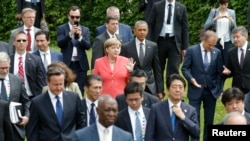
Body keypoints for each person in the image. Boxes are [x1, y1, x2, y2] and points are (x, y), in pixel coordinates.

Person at [181, 30, 222, 141]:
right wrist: (191, 79)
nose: (212, 47)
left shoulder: (217, 52)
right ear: (203, 40)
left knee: (209, 120)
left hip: (211, 91)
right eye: (210, 45)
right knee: (194, 119)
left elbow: (219, 73)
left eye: (214, 45)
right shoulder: (192, 50)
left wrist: (218, 89)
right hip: (195, 90)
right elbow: (184, 68)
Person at [26, 65, 85, 141]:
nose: (59, 88)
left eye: (61, 84)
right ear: (47, 82)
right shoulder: (37, 103)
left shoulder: (74, 98)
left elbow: (81, 123)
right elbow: (32, 131)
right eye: (55, 85)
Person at [145, 74, 200, 141]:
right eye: (174, 87)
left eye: (180, 87)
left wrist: (183, 118)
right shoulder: (156, 108)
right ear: (167, 90)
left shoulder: (190, 110)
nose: (177, 90)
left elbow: (196, 132)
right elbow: (149, 134)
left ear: (184, 91)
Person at [147, 0, 188, 84]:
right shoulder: (157, 6)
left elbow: (185, 28)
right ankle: (159, 91)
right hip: (159, 41)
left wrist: (185, 47)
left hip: (175, 42)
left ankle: (171, 89)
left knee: (174, 68)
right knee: (158, 68)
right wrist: (150, 41)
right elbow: (150, 24)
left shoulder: (181, 8)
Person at [121, 20, 163, 99]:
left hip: (149, 84)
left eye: (144, 30)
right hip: (133, 83)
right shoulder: (126, 47)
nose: (142, 32)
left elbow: (157, 69)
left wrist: (159, 90)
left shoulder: (153, 46)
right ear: (134, 31)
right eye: (140, 30)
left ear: (148, 31)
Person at [57, 6, 91, 94]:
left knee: (80, 91)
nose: (74, 19)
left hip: (80, 65)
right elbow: (60, 44)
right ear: (68, 16)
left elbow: (88, 46)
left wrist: (80, 38)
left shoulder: (85, 29)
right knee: (66, 90)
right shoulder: (62, 28)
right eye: (72, 17)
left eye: (77, 17)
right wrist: (70, 34)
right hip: (67, 64)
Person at [0, 52, 30, 141]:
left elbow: (26, 101)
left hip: (15, 128)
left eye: (7, 68)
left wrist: (27, 116)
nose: (5, 71)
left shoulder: (17, 80)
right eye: (1, 68)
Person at [9, 31, 46, 99]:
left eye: (24, 40)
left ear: (27, 42)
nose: (21, 42)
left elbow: (41, 82)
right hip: (13, 96)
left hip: (32, 96)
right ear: (14, 42)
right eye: (18, 40)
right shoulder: (8, 60)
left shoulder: (36, 60)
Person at [204, 0, 236, 67]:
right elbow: (206, 25)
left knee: (226, 62)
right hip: (216, 40)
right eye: (222, 4)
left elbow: (235, 28)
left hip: (227, 40)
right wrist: (215, 18)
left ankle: (223, 76)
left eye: (225, 4)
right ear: (219, 4)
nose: (224, 6)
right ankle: (216, 75)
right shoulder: (214, 12)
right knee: (215, 60)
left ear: (228, 4)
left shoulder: (232, 12)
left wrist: (232, 21)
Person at [223, 26, 250, 94]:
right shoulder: (231, 52)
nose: (235, 39)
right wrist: (228, 72)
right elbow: (230, 71)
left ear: (245, 37)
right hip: (237, 89)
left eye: (237, 37)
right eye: (234, 37)